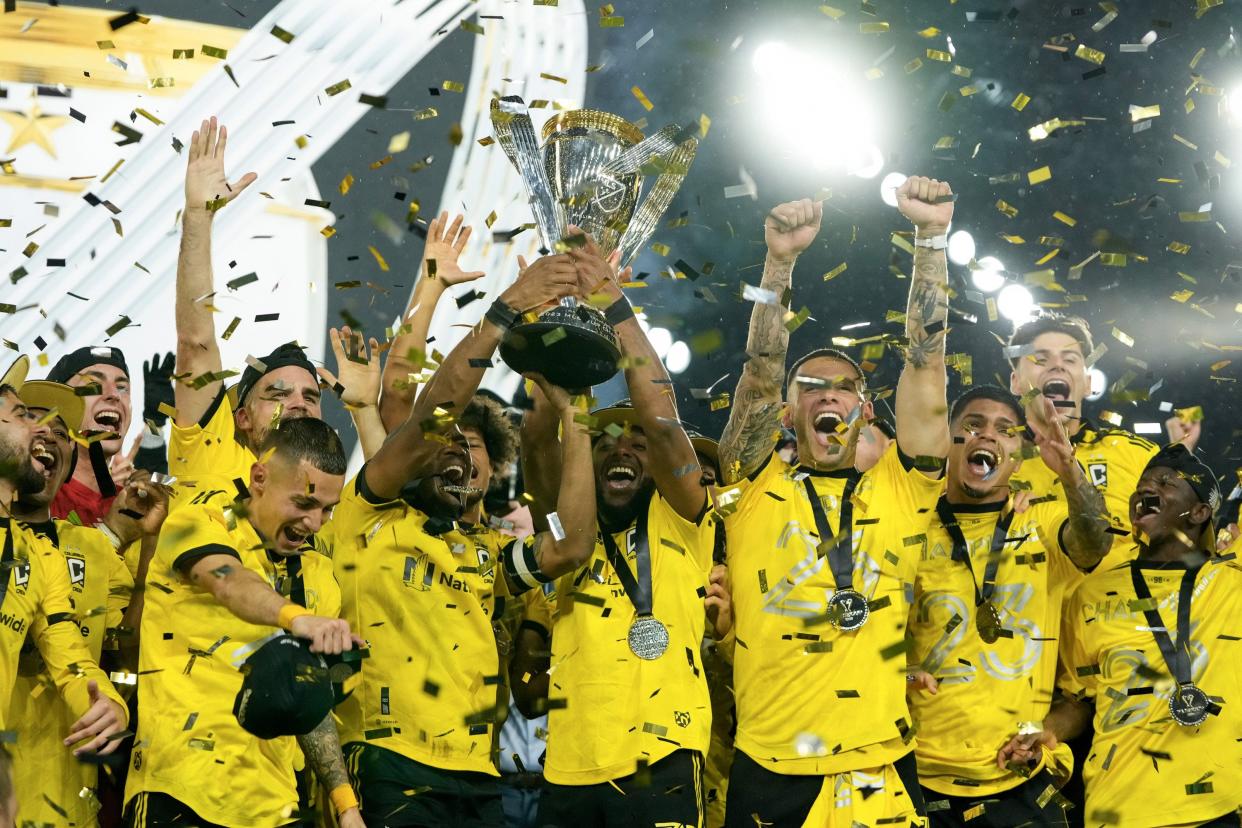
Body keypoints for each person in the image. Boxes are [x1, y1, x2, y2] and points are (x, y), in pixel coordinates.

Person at [716, 178, 953, 827]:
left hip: (880, 765)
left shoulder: (903, 486)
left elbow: (927, 362)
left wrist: (931, 240)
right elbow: (760, 372)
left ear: (866, 409)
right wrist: (780, 261)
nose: (827, 397)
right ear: (790, 414)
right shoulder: (750, 483)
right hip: (771, 766)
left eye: (843, 388)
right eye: (811, 388)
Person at [328, 252, 595, 826]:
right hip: (388, 760)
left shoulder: (492, 554)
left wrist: (573, 413)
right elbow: (421, 406)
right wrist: (502, 311)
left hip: (478, 774)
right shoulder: (371, 514)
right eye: (445, 442)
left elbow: (570, 543)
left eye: (472, 446)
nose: (456, 449)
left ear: (492, 469)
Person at [513, 235, 728, 828]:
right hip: (570, 763)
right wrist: (547, 323)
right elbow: (535, 440)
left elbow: (661, 419)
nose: (624, 450)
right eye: (609, 439)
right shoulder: (565, 524)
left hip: (661, 753)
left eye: (637, 444)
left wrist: (611, 303)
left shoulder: (683, 517)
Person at [123, 417, 364, 828]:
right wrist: (296, 618)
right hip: (181, 793)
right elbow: (230, 583)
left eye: (327, 510)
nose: (315, 523)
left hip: (276, 807)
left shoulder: (319, 578)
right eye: (304, 504)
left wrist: (346, 805)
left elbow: (307, 702)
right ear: (259, 477)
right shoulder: (197, 521)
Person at [1000, 445, 1240, 828]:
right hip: (1117, 809)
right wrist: (1047, 730)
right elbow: (1080, 700)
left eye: (1165, 483)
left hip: (1214, 809)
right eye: (1142, 484)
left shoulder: (1232, 583)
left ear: (1199, 512)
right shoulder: (1091, 593)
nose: (1147, 489)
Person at [906, 386, 1113, 827]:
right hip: (912, 778)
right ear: (948, 441)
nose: (989, 436)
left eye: (1006, 430)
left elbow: (1095, 541)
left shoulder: (1041, 522)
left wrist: (1070, 471)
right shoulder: (908, 526)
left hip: (1017, 778)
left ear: (1018, 455)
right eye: (972, 425)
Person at [7, 369, 169, 827]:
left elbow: (120, 653)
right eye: (30, 420)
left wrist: (149, 544)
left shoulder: (85, 550)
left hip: (67, 801)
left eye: (62, 432)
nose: (48, 435)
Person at [169, 117, 323, 507]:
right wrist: (199, 216)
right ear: (242, 418)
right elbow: (196, 342)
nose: (299, 403)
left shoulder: (328, 499)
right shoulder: (213, 452)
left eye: (310, 396)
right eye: (278, 393)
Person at [0, 359, 130, 759]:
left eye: (61, 431)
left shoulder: (40, 556)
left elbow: (69, 653)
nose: (44, 432)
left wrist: (110, 704)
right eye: (22, 416)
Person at [1006, 313, 1200, 571]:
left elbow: (1189, 534)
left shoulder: (1137, 455)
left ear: (1087, 384)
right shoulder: (995, 468)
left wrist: (1181, 464)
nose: (1057, 366)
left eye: (1070, 359)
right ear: (1016, 382)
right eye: (1040, 360)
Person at [45, 345, 136, 525]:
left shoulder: (136, 505)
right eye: (93, 384)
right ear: (57, 407)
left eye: (122, 387)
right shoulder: (32, 493)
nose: (114, 395)